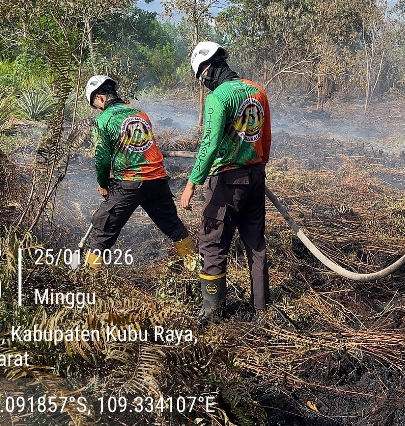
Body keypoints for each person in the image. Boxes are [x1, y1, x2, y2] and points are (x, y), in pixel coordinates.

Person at [180, 42, 271, 321]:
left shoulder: (218, 98)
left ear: (207, 70)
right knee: (255, 244)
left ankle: (212, 310)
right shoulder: (258, 90)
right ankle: (261, 308)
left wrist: (191, 183)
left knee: (212, 242)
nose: (202, 83)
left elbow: (209, 145)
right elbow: (265, 137)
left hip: (227, 181)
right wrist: (258, 166)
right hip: (255, 177)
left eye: (200, 78)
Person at [83, 75, 196, 271]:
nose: (97, 109)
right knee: (173, 226)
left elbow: (101, 157)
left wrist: (102, 183)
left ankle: (90, 280)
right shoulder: (140, 113)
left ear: (100, 97)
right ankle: (195, 267)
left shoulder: (103, 119)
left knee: (102, 232)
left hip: (128, 183)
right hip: (157, 181)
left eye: (95, 104)